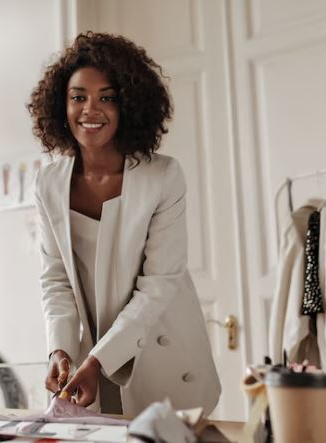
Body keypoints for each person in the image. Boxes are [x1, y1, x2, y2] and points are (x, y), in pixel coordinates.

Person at [28, 31, 221, 416]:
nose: (90, 109)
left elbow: (159, 284)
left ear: (129, 104)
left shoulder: (163, 176)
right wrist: (60, 349)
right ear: (60, 106)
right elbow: (56, 279)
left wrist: (99, 361)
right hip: (88, 361)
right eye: (78, 97)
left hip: (160, 351)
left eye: (107, 97)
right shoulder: (48, 183)